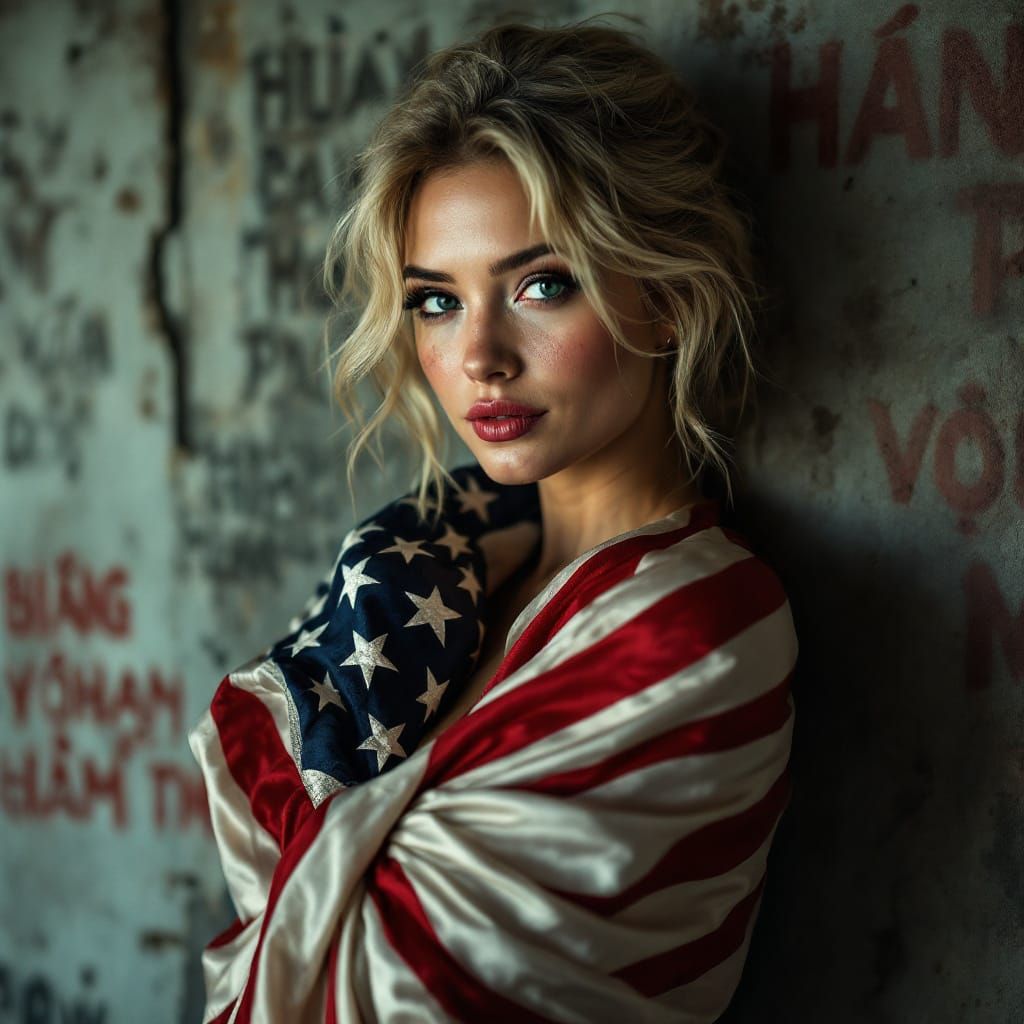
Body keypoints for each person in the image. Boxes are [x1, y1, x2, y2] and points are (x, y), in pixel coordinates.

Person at [189, 17, 798, 1023]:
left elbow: (394, 974)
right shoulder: (430, 566)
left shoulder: (699, 626)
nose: (478, 356)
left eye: (539, 285)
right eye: (435, 301)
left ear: (669, 299)